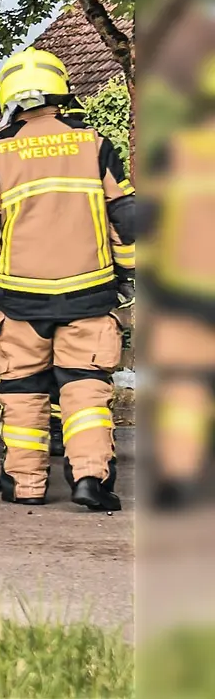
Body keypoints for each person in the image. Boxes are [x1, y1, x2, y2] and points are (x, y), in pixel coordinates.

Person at [0, 47, 135, 510]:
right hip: (89, 294)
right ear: (61, 91)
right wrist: (129, 274)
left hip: (20, 301)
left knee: (22, 394)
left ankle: (25, 486)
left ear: (9, 98)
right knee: (85, 392)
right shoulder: (94, 144)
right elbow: (125, 216)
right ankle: (90, 481)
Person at [138, 59, 215, 508]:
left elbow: (146, 227)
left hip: (185, 294)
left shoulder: (175, 151)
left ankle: (180, 478)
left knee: (185, 389)